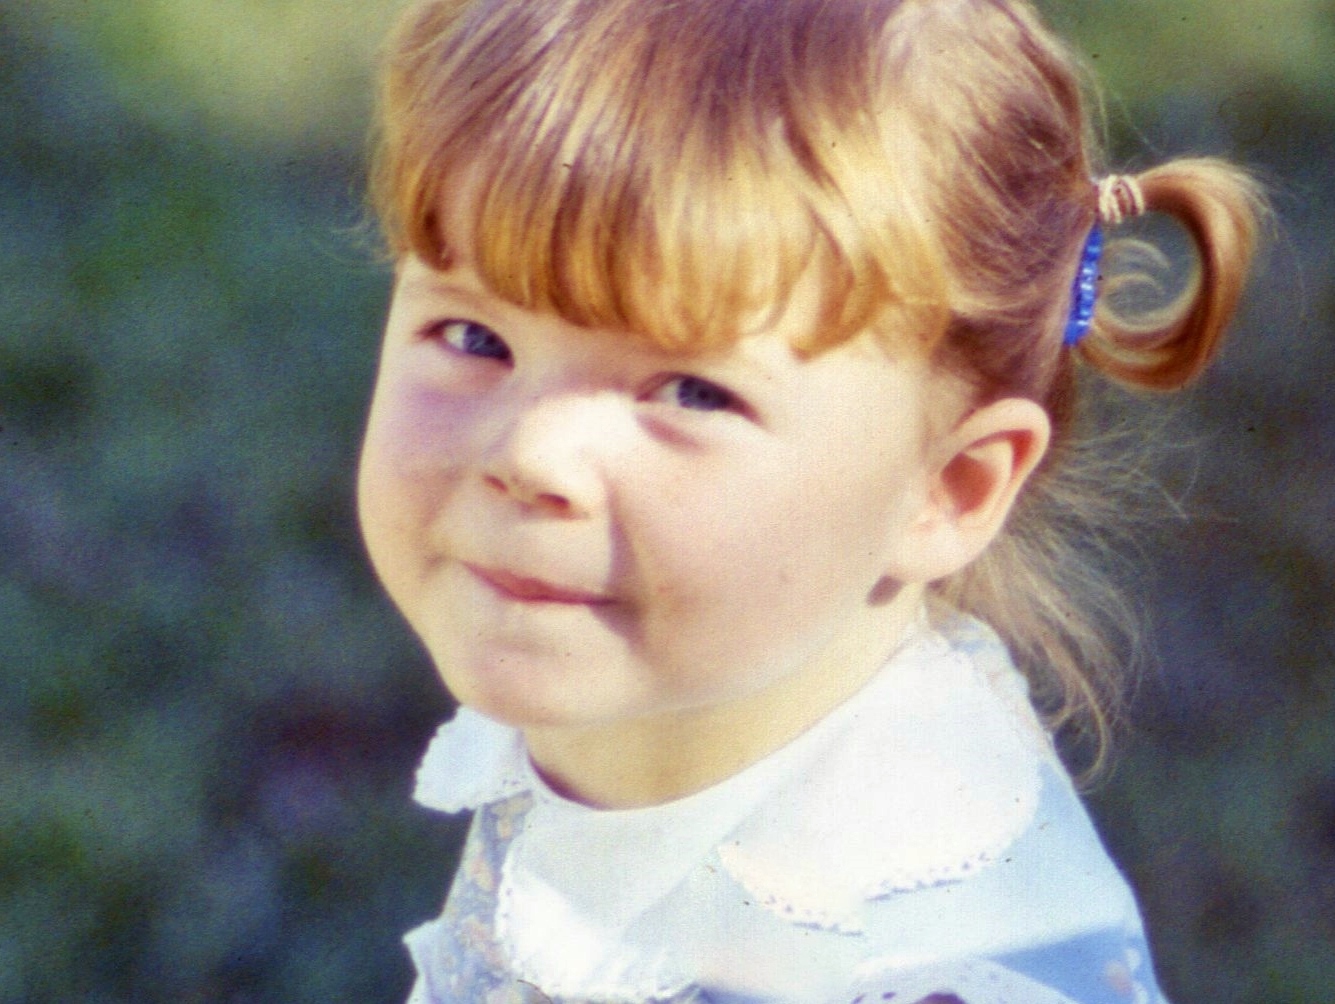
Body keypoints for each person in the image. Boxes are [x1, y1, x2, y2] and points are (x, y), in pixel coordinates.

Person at [355, 0, 1264, 1000]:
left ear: (948, 487)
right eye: (474, 338)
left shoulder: (909, 962)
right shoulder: (689, 696)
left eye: (692, 392)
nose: (531, 455)